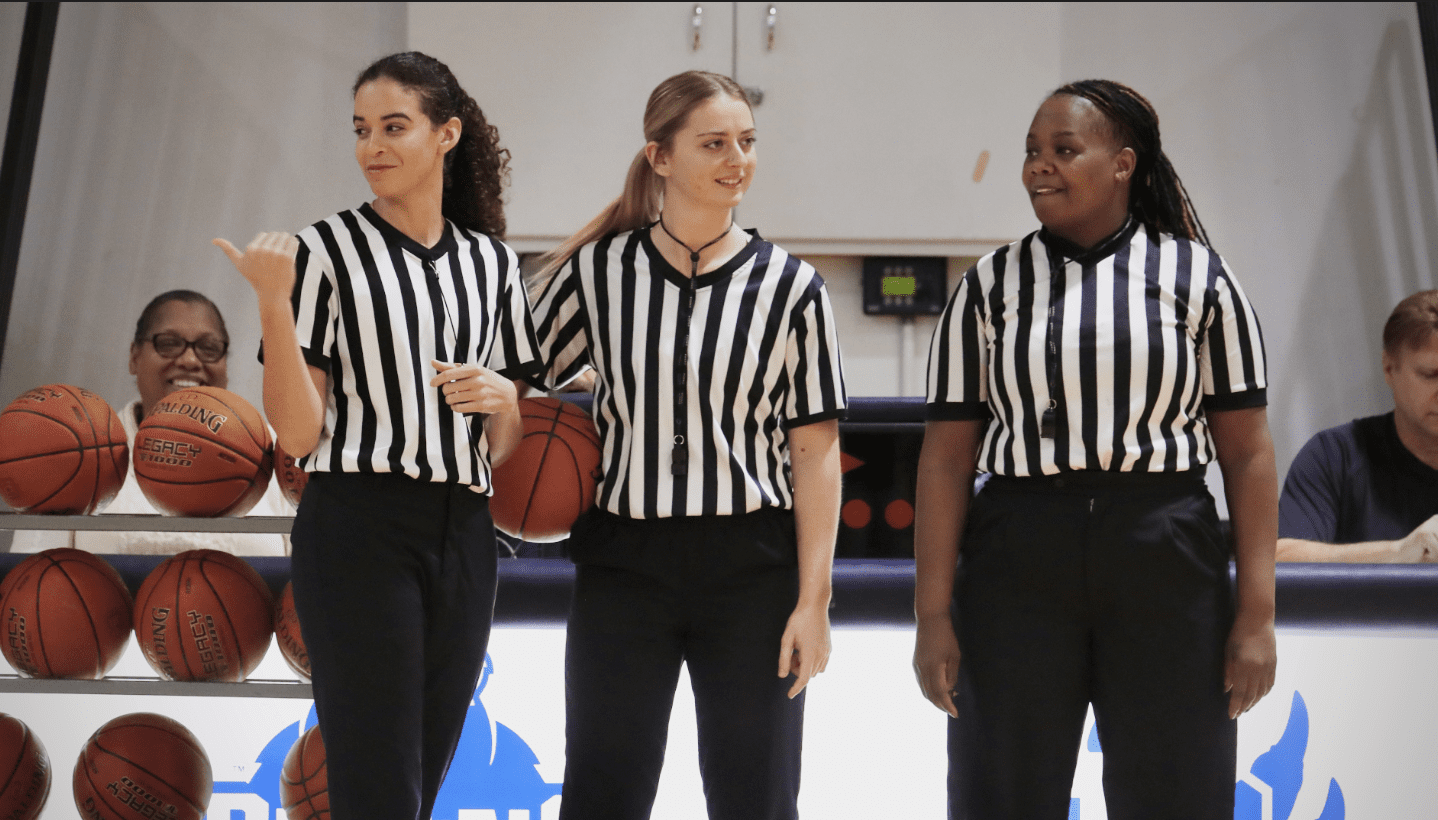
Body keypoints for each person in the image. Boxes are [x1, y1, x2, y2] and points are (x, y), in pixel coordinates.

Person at [914, 79, 1278, 818]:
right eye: (1031, 152)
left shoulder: (1200, 277)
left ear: (1123, 164)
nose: (1038, 166)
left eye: (1064, 149)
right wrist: (932, 615)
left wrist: (1257, 615)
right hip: (1017, 546)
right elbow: (947, 459)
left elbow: (1246, 454)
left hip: (1163, 542)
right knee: (1001, 792)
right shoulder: (987, 286)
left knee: (1175, 791)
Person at [214, 51, 541, 820]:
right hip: (359, 524)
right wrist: (271, 305)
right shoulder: (323, 251)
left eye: (395, 127)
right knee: (376, 780)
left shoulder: (492, 265)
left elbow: (505, 442)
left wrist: (504, 400)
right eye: (361, 130)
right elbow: (297, 435)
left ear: (447, 134)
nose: (372, 147)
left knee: (422, 779)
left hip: (464, 531)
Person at [529, 70, 845, 820]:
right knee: (602, 791)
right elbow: (514, 374)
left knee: (756, 796)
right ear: (660, 157)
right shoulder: (600, 273)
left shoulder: (794, 288)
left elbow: (816, 452)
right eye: (714, 143)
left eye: (746, 141)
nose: (737, 158)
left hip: (752, 571)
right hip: (623, 566)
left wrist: (814, 598)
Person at [8, 289, 292, 556]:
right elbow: (33, 572)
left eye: (209, 347)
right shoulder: (77, 450)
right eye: (168, 344)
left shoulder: (274, 452)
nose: (191, 360)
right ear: (134, 357)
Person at [1277, 290, 1438, 562]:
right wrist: (1399, 553)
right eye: (1430, 375)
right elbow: (1283, 557)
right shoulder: (1334, 456)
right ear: (1389, 368)